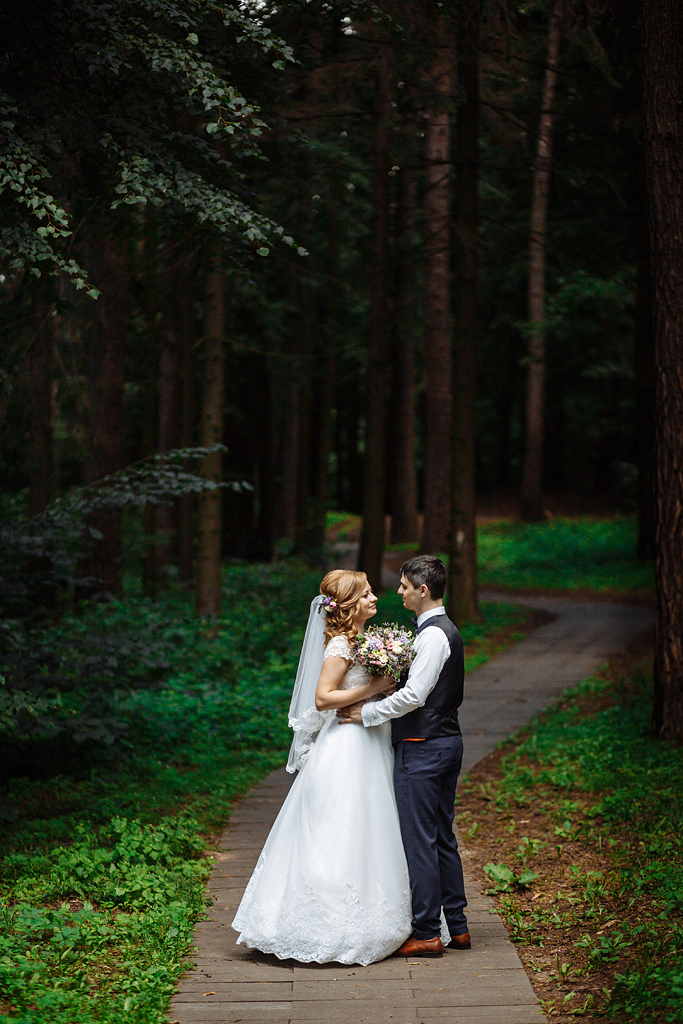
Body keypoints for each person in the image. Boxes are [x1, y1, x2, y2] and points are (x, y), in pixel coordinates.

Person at [231, 569, 422, 965]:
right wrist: (373, 688)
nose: (375, 598)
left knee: (370, 823)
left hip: (369, 740)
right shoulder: (339, 644)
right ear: (350, 604)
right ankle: (325, 922)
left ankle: (375, 916)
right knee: (339, 825)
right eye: (367, 594)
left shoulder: (361, 640)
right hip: (345, 745)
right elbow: (322, 699)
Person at [338, 555, 470, 959]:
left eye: (403, 586)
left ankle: (429, 931)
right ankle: (458, 926)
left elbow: (415, 697)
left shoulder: (432, 636)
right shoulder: (442, 630)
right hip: (444, 742)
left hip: (423, 748)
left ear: (422, 590)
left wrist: (368, 713)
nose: (398, 591)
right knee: (442, 836)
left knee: (421, 841)